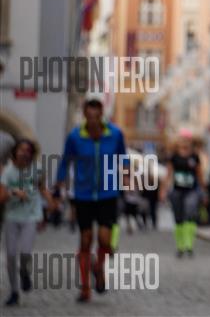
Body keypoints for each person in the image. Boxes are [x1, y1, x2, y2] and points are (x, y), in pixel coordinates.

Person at [55, 98, 128, 302]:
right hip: (83, 194)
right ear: (85, 115)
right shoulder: (75, 136)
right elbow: (65, 161)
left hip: (108, 193)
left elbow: (123, 156)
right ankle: (85, 288)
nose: (93, 120)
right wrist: (59, 183)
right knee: (86, 240)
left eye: (97, 116)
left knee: (105, 239)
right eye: (90, 116)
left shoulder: (115, 134)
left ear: (102, 114)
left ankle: (98, 267)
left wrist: (126, 174)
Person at [0, 139, 57, 306]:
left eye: (28, 151)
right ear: (15, 152)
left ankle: (24, 271)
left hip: (31, 216)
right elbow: (1, 197)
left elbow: (42, 188)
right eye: (21, 150)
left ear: (32, 154)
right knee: (11, 255)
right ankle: (14, 291)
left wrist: (51, 202)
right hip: (11, 216)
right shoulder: (7, 172)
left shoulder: (37, 169)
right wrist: (14, 192)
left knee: (25, 252)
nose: (24, 153)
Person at [161, 130, 206, 257]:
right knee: (178, 217)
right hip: (177, 191)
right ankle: (180, 246)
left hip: (192, 191)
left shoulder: (194, 157)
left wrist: (204, 191)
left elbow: (200, 174)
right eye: (183, 139)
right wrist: (163, 190)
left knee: (190, 212)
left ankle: (189, 245)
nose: (185, 142)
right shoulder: (174, 156)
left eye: (187, 140)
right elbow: (168, 174)